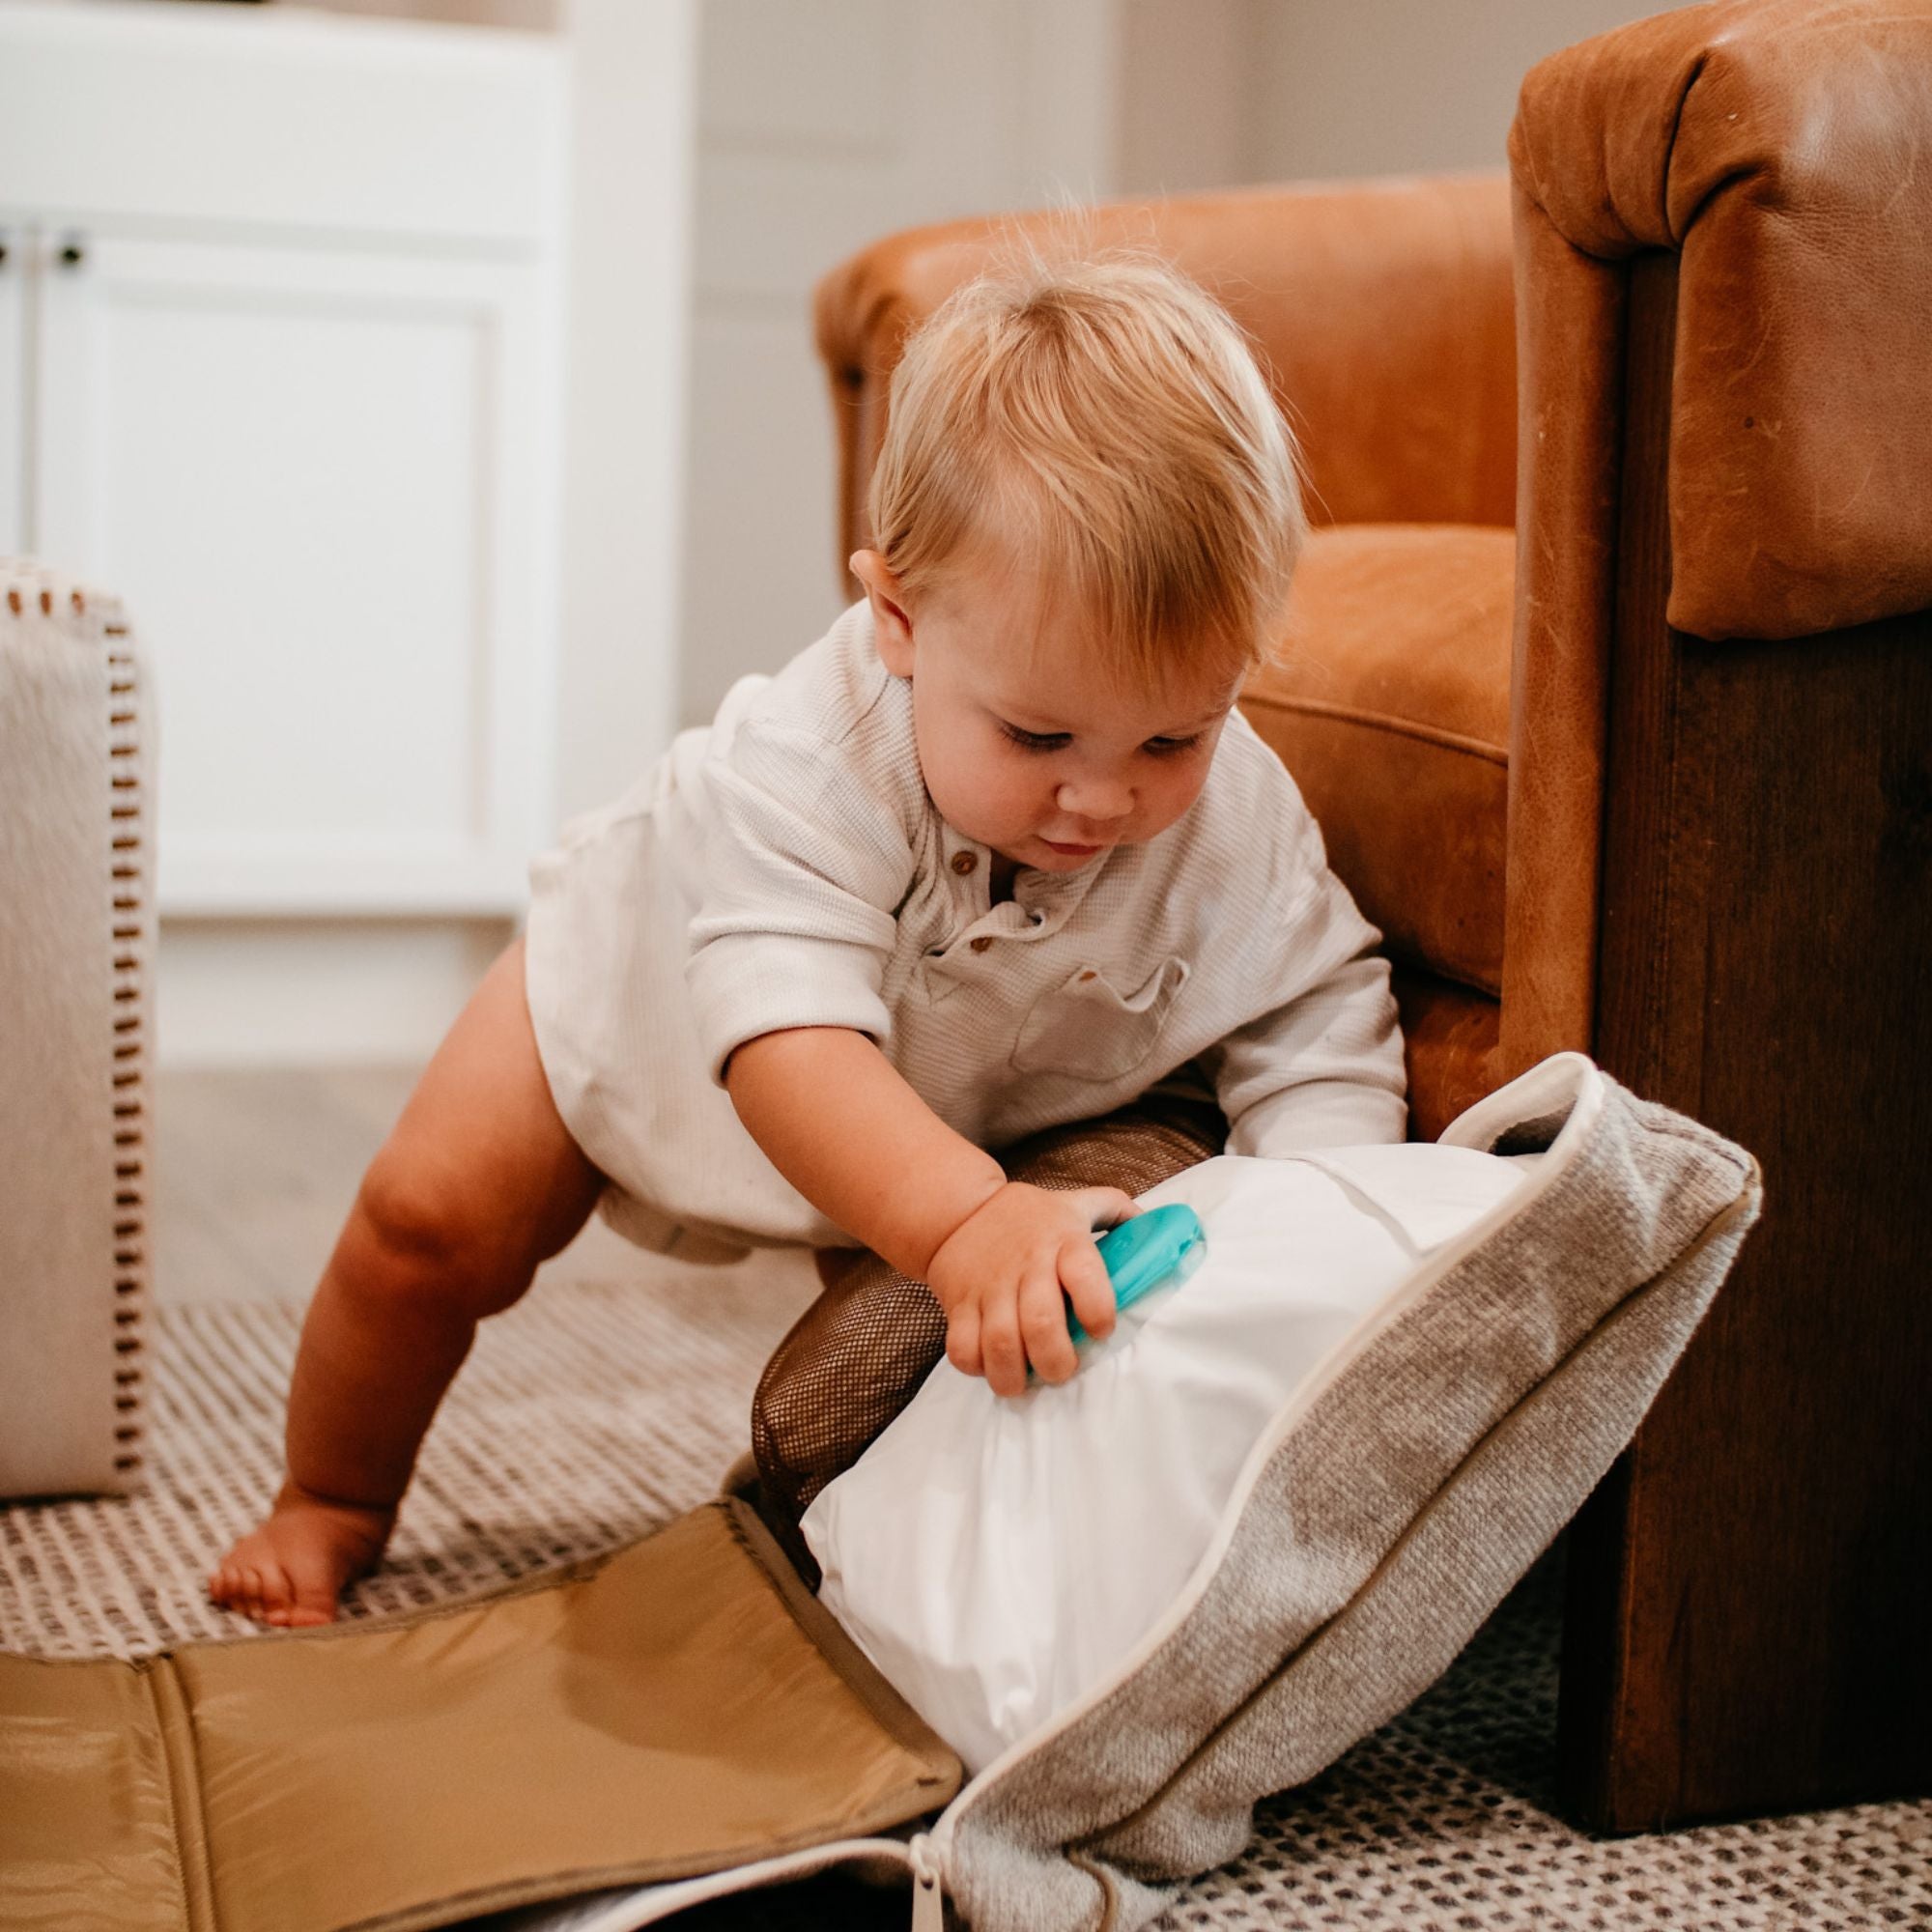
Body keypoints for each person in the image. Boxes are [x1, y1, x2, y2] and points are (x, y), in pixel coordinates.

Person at [208, 247, 1407, 1628]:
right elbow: (789, 1042)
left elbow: (1314, 1015)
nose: (1103, 795)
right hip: (661, 984)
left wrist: (1329, 1226)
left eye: (1171, 735)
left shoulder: (1232, 816)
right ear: (896, 619)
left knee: (895, 1355)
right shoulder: (809, 759)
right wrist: (963, 1223)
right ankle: (332, 1495)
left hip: (946, 1098)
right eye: (1035, 734)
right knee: (431, 1221)